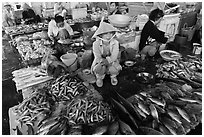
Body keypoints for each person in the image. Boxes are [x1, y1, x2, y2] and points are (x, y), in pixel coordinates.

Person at [91, 22, 122, 87]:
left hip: (112, 61)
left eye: (110, 33)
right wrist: (103, 62)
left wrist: (108, 61)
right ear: (101, 35)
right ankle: (100, 77)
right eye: (105, 33)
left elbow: (114, 56)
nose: (108, 36)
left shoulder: (115, 43)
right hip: (100, 62)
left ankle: (113, 76)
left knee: (114, 69)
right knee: (99, 68)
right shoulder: (95, 44)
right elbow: (98, 57)